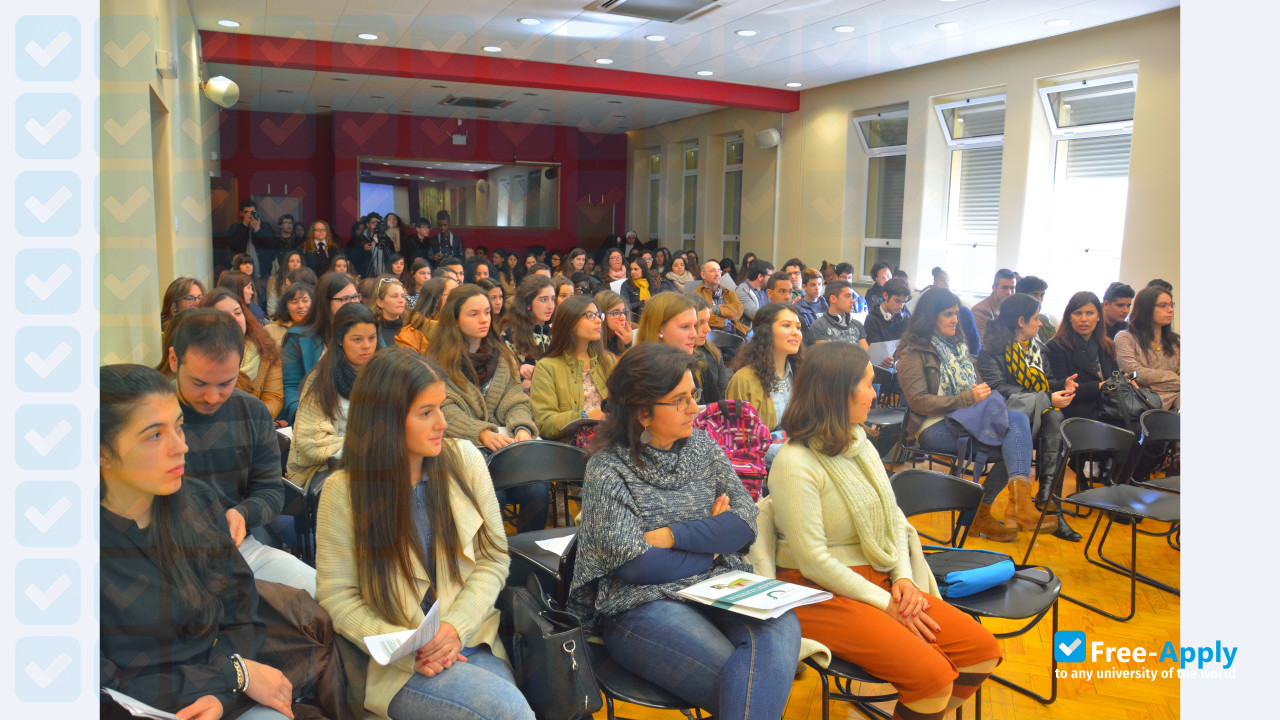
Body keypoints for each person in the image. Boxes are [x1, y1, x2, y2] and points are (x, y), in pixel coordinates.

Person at [767, 343, 1002, 720]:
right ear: (839, 392)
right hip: (814, 591)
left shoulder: (859, 442)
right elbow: (813, 561)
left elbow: (891, 517)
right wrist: (887, 604)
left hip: (875, 576)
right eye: (868, 384)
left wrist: (903, 578)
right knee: (934, 679)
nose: (876, 394)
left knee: (981, 653)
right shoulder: (794, 462)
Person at [569, 342, 801, 720]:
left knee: (782, 622)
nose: (695, 408)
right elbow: (635, 567)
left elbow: (744, 523)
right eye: (679, 400)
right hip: (640, 604)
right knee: (753, 683)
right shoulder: (607, 470)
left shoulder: (702, 448)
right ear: (643, 411)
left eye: (693, 394)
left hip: (719, 584)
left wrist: (673, 535)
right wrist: (710, 543)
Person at [314, 348, 534, 720]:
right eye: (426, 413)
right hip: (399, 663)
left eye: (441, 408)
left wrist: (454, 627)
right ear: (384, 420)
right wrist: (407, 645)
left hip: (471, 637)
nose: (443, 423)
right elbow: (338, 597)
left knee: (508, 708)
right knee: (507, 710)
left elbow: (494, 558)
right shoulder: (344, 491)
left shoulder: (465, 460)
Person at [99, 364, 297, 720]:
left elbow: (241, 615)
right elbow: (102, 683)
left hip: (221, 692)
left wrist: (225, 693)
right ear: (102, 454)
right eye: (154, 436)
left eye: (178, 427)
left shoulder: (197, 502)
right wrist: (234, 675)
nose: (182, 447)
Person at [164, 309, 316, 593]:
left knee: (320, 595)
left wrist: (244, 513)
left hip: (237, 549)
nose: (212, 397)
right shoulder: (150, 414)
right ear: (174, 360)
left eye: (225, 383)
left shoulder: (251, 412)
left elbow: (271, 492)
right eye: (198, 383)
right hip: (165, 558)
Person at [896, 288, 1031, 542]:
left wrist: (980, 394)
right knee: (1015, 443)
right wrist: (968, 398)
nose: (955, 320)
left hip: (967, 418)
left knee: (1018, 428)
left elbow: (977, 386)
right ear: (929, 317)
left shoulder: (958, 347)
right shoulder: (913, 353)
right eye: (948, 314)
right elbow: (919, 401)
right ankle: (985, 514)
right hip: (932, 425)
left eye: (956, 314)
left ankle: (993, 511)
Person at [433, 285, 546, 531]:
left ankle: (525, 563)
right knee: (496, 497)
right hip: (463, 452)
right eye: (473, 314)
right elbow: (444, 409)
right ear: (454, 318)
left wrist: (523, 428)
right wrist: (481, 432)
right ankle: (493, 561)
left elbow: (514, 398)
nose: (484, 319)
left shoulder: (502, 355)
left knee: (538, 491)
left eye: (486, 312)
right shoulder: (437, 361)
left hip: (503, 450)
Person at [975, 294, 1078, 538]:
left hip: (1033, 415)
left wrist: (1061, 385)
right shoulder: (991, 351)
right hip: (1003, 416)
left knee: (1056, 418)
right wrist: (1044, 399)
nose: (1040, 323)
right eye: (1035, 318)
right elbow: (999, 390)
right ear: (1021, 321)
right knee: (1035, 428)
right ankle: (1027, 504)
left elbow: (1046, 382)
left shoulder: (1039, 349)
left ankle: (1041, 497)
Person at [288, 303, 378, 491]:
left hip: (374, 464)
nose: (367, 346)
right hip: (327, 469)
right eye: (357, 339)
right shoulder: (321, 381)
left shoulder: (383, 374)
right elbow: (311, 443)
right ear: (339, 340)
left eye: (372, 338)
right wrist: (369, 447)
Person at [530, 295, 615, 441]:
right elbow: (545, 423)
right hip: (573, 447)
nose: (598, 320)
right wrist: (585, 417)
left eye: (598, 315)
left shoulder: (608, 360)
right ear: (570, 322)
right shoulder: (547, 367)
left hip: (612, 440)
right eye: (590, 315)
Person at [281, 272, 360, 424]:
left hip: (360, 416)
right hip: (315, 419)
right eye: (345, 299)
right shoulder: (298, 338)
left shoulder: (367, 332)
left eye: (355, 297)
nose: (353, 304)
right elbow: (291, 387)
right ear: (325, 302)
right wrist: (302, 416)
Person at [202, 289, 284, 420]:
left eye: (238, 313)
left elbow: (274, 397)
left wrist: (249, 420)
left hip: (255, 425)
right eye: (224, 316)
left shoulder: (266, 347)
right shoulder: (200, 356)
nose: (234, 320)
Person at [1045, 291, 1122, 423]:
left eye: (1090, 313)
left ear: (1099, 316)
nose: (1084, 319)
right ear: (1069, 317)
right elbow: (1062, 389)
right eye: (1078, 313)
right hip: (1077, 411)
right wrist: (1101, 386)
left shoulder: (1107, 345)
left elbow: (1114, 378)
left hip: (1110, 407)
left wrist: (1125, 382)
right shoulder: (1056, 346)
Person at [726, 303, 804, 431]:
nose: (796, 333)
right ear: (765, 332)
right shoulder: (744, 379)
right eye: (786, 325)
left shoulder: (802, 373)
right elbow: (736, 435)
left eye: (798, 327)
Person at [1115, 287, 1180, 411]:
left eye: (1171, 305)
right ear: (1147, 309)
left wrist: (1152, 384)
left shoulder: (1176, 342)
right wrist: (1173, 377)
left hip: (1176, 403)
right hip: (1141, 403)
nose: (1170, 310)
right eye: (1163, 305)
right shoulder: (1125, 338)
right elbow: (1134, 374)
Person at [502, 275, 556, 390]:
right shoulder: (510, 333)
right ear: (528, 303)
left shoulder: (557, 330)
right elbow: (503, 373)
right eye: (543, 300)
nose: (550, 306)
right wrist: (520, 370)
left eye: (552, 299)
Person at [688, 294, 729, 407]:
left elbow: (722, 391)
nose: (708, 329)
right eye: (700, 323)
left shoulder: (713, 351)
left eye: (708, 322)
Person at [372, 276, 430, 354]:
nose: (401, 300)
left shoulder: (413, 326)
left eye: (403, 296)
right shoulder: (373, 331)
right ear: (380, 303)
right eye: (395, 296)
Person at [688, 260, 748, 335]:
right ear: (703, 275)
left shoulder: (728, 292)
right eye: (713, 271)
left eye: (719, 271)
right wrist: (726, 320)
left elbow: (738, 311)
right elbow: (699, 317)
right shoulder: (696, 294)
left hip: (734, 332)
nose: (717, 274)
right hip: (708, 335)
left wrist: (715, 310)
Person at [806, 280, 868, 348]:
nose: (852, 301)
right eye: (847, 296)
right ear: (833, 299)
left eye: (852, 297)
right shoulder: (818, 326)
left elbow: (867, 356)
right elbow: (823, 356)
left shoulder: (857, 324)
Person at [226, 200, 279, 278]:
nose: (250, 215)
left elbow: (272, 244)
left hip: (264, 273)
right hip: (241, 274)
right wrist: (244, 225)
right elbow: (232, 243)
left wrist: (257, 229)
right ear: (241, 214)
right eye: (246, 212)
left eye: (253, 212)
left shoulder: (265, 226)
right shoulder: (235, 227)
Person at [265, 282, 313, 354]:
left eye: (305, 301)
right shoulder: (269, 331)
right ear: (286, 306)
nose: (301, 306)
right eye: (295, 302)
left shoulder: (321, 329)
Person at [970, 269, 1017, 342]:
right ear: (994, 288)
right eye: (1005, 288)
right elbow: (980, 346)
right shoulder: (980, 311)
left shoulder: (1012, 308)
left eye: (1012, 288)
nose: (1009, 292)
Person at [864, 278, 912, 344]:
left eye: (903, 302)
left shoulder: (905, 317)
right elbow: (876, 350)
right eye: (897, 301)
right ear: (885, 295)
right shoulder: (872, 320)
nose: (901, 306)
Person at [1015, 275, 1056, 343]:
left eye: (1042, 295)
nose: (1040, 300)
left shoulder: (1044, 320)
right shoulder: (1010, 323)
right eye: (1034, 295)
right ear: (1021, 296)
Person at [595, 289, 635, 356]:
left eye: (624, 312)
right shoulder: (593, 339)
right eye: (616, 313)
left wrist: (629, 344)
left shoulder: (633, 331)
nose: (623, 318)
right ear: (601, 315)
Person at [266, 250, 304, 317]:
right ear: (287, 263)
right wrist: (275, 320)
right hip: (281, 318)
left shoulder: (305, 280)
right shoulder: (277, 281)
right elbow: (271, 305)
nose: (295, 264)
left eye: (298, 261)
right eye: (292, 261)